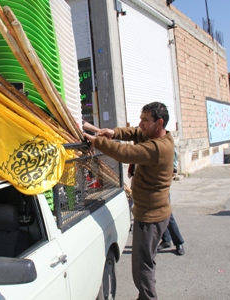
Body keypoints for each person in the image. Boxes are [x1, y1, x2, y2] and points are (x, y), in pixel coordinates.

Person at [83, 102, 174, 300]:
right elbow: (134, 133)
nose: (140, 124)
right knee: (146, 263)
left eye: (144, 120)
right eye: (140, 119)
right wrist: (113, 132)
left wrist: (96, 141)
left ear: (159, 123)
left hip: (150, 217)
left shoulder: (158, 147)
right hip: (153, 213)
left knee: (142, 269)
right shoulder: (156, 134)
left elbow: (125, 154)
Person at [158, 148, 185, 256]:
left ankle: (178, 242)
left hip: (161, 182)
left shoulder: (163, 140)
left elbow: (173, 153)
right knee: (158, 213)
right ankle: (166, 239)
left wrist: (173, 169)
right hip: (148, 184)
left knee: (167, 213)